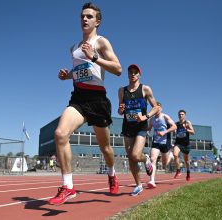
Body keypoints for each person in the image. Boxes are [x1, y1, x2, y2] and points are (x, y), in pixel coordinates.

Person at [48, 2, 122, 205]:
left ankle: (112, 173)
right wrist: (67, 76)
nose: (85, 19)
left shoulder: (101, 42)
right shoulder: (74, 48)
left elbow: (118, 69)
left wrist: (95, 56)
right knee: (60, 134)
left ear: (97, 21)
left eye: (89, 16)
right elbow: (80, 70)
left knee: (105, 147)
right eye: (82, 16)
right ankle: (68, 186)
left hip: (98, 100)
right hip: (79, 98)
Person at [118, 64, 159, 196]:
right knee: (131, 158)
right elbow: (120, 111)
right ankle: (138, 185)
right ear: (128, 74)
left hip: (141, 126)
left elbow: (156, 107)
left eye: (135, 72)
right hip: (127, 126)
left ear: (139, 75)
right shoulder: (121, 90)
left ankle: (146, 158)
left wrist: (145, 116)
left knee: (136, 155)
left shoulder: (145, 89)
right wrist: (120, 110)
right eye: (130, 72)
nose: (133, 74)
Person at [146, 102, 177, 188]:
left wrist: (164, 132)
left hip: (165, 142)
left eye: (158, 108)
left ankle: (170, 156)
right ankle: (152, 180)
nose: (157, 109)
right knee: (153, 159)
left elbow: (174, 126)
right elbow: (148, 128)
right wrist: (147, 132)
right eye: (155, 108)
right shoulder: (151, 120)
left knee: (164, 164)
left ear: (161, 108)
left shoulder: (165, 117)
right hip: (156, 141)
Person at [173, 109, 195, 181]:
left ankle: (188, 173)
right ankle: (178, 170)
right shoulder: (176, 124)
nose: (180, 115)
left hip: (186, 144)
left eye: (182, 114)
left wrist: (186, 129)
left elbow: (193, 132)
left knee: (186, 161)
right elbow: (173, 130)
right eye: (179, 114)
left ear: (185, 115)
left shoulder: (187, 122)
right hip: (178, 143)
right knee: (175, 154)